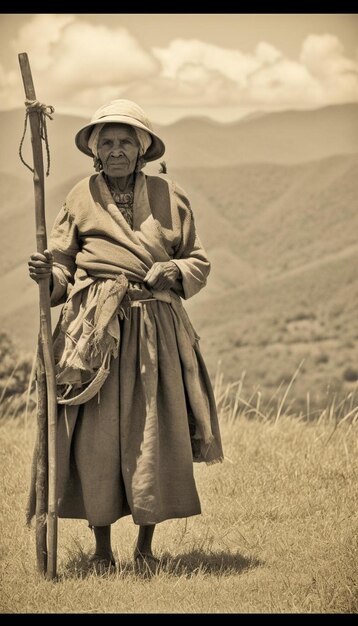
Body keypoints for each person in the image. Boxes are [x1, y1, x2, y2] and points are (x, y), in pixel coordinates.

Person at [28, 99, 223, 573]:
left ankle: (145, 548)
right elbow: (61, 264)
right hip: (93, 331)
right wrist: (47, 274)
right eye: (107, 143)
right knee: (96, 436)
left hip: (156, 328)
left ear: (142, 150)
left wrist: (172, 269)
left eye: (125, 142)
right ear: (95, 151)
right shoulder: (78, 197)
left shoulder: (169, 195)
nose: (116, 150)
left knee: (149, 432)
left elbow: (197, 259)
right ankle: (100, 551)